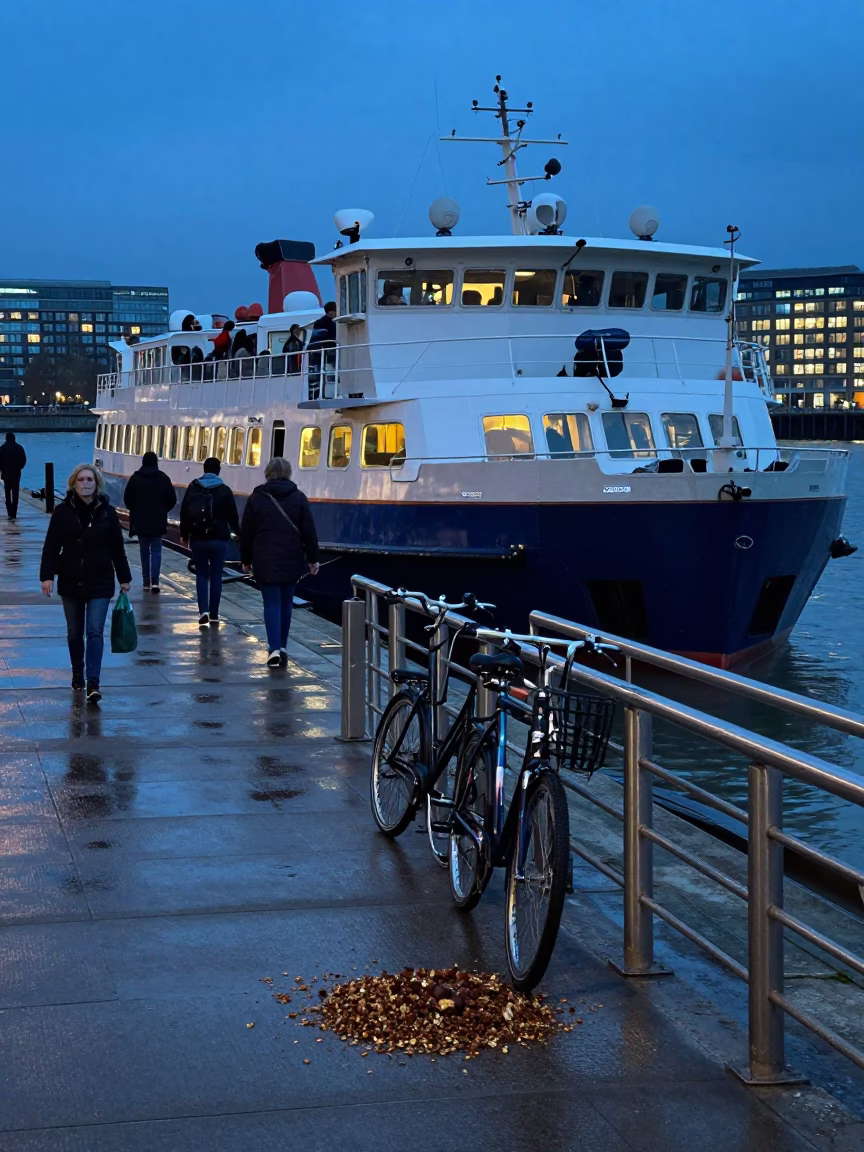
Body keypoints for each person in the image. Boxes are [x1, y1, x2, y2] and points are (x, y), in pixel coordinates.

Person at [39, 464, 131, 703]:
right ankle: (77, 672)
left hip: (100, 580)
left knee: (95, 631)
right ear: (73, 483)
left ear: (96, 483)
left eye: (90, 479)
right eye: (81, 479)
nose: (86, 483)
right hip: (70, 580)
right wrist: (46, 575)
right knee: (74, 633)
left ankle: (93, 681)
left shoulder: (107, 513)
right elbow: (51, 546)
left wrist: (124, 578)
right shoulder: (62, 512)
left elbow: (117, 548)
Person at [240, 457, 319, 666]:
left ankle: (274, 648)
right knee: (286, 604)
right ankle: (282, 646)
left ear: (267, 473)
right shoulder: (299, 498)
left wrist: (245, 559)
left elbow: (246, 532)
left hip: (265, 559)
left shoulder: (257, 498)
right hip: (292, 558)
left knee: (272, 603)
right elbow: (309, 531)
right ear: (289, 473)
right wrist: (313, 559)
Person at [179, 456, 240, 626]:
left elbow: (184, 513)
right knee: (216, 576)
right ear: (219, 470)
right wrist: (239, 536)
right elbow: (233, 517)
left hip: (198, 538)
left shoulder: (194, 487)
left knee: (201, 575)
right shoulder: (225, 490)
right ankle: (214, 614)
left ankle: (203, 611)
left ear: (204, 469)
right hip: (219, 539)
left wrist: (184, 534)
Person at [123, 451, 177, 592]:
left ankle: (146, 580)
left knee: (144, 550)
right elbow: (172, 499)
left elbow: (127, 499)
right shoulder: (163, 478)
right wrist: (163, 510)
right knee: (156, 550)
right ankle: (155, 582)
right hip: (158, 520)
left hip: (140, 520)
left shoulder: (135, 478)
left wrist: (135, 510)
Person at [306, 302, 338, 398]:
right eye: (335, 310)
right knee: (328, 374)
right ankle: (327, 394)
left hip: (315, 353)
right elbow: (332, 338)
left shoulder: (318, 322)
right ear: (331, 311)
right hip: (325, 353)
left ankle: (317, 394)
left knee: (318, 376)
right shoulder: (330, 323)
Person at [0, 431, 26, 521]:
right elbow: (23, 460)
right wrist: (19, 468)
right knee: (15, 494)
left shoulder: (2, 448)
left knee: (7, 494)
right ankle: (14, 513)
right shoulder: (19, 448)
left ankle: (9, 513)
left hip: (6, 474)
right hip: (16, 473)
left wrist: (2, 469)